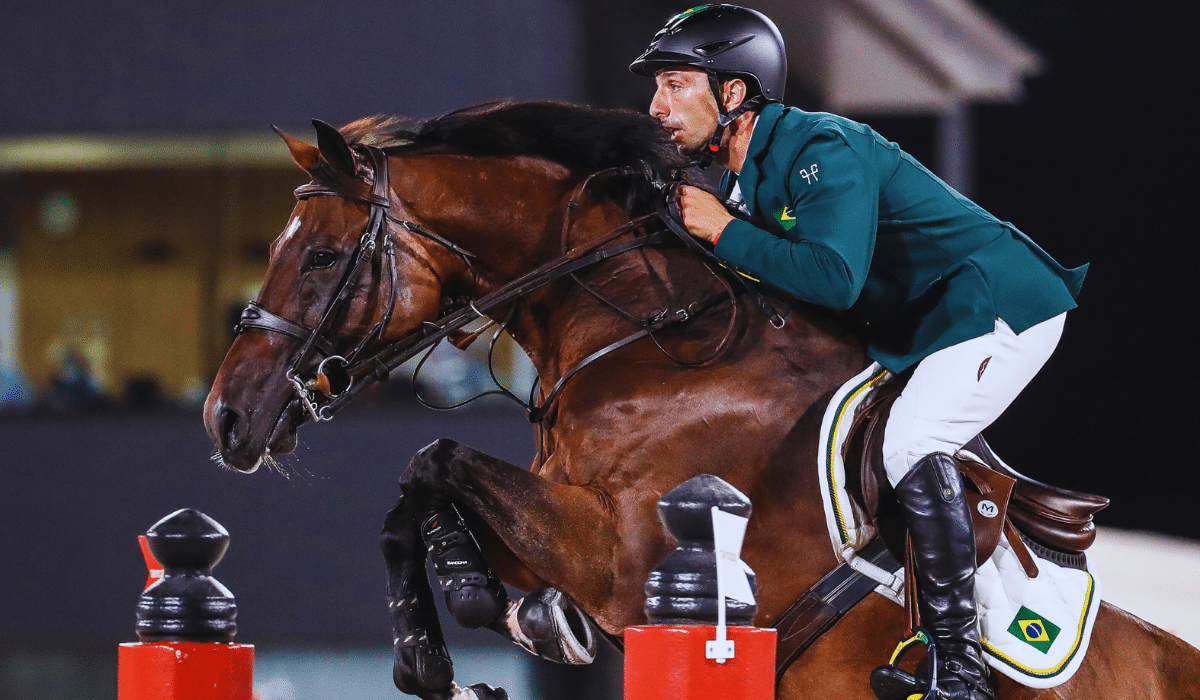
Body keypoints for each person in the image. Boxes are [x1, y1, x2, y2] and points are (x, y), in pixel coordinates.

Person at [630, 6, 1086, 700]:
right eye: (657, 87)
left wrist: (723, 233)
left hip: (996, 304)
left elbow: (835, 280)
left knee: (911, 442)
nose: (656, 107)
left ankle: (962, 672)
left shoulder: (822, 147)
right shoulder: (747, 180)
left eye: (674, 84)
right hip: (925, 323)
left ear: (734, 92)